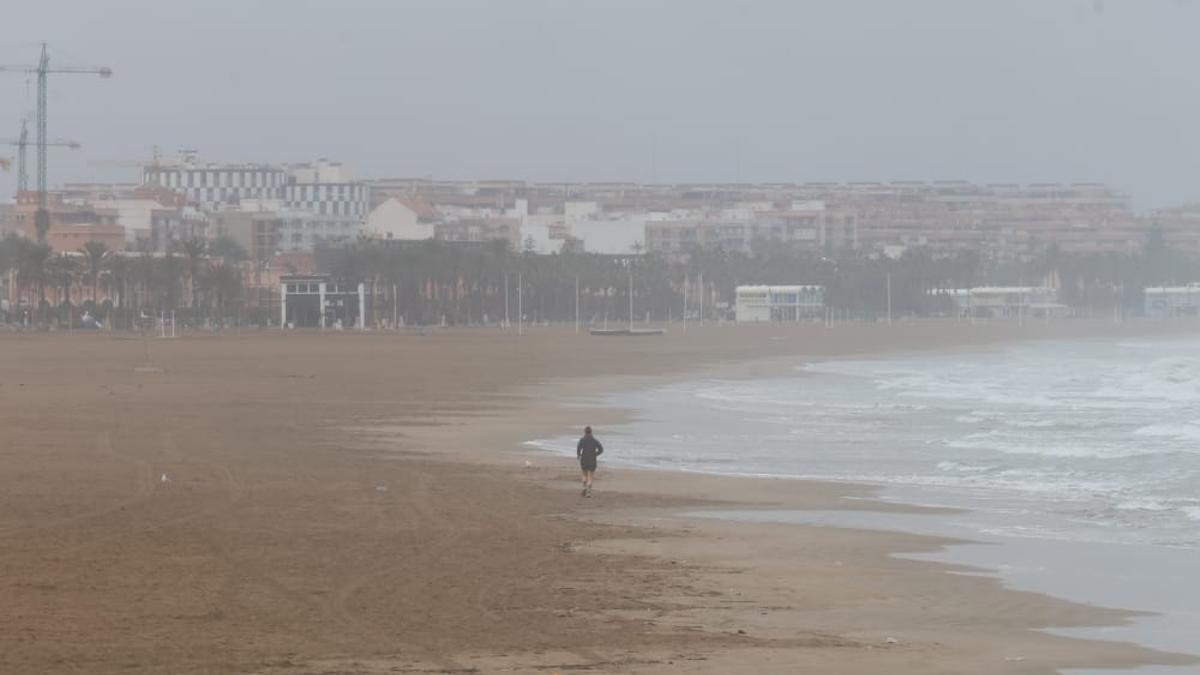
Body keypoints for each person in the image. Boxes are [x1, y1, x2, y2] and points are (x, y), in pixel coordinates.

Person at [576, 426, 604, 497]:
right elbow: (601, 449)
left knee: (584, 474)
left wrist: (579, 455)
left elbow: (579, 448)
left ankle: (585, 487)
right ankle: (588, 492)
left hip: (584, 459)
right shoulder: (595, 440)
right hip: (592, 460)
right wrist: (596, 454)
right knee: (590, 476)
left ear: (585, 432)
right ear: (591, 432)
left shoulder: (582, 440)